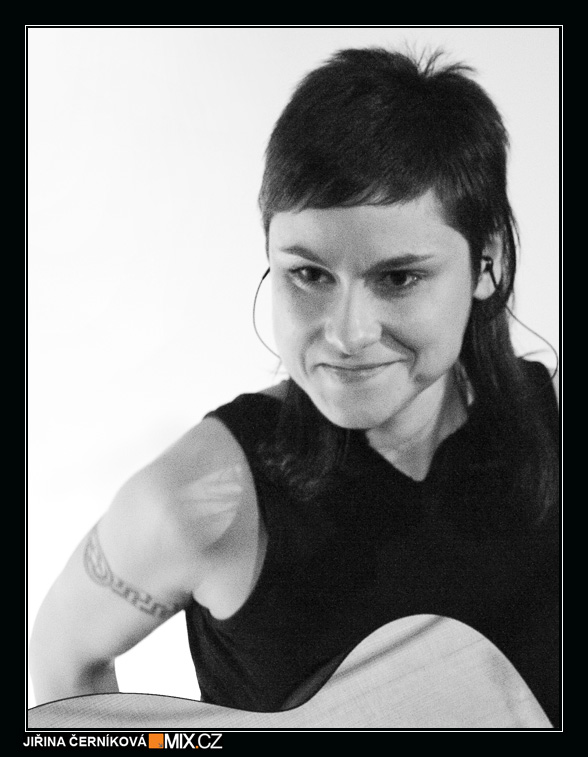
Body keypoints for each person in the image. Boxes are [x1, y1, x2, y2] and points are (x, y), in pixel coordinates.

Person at [29, 47, 560, 728]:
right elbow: (61, 662)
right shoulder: (200, 501)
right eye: (309, 275)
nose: (347, 333)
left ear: (487, 264)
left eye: (398, 278)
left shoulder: (552, 432)